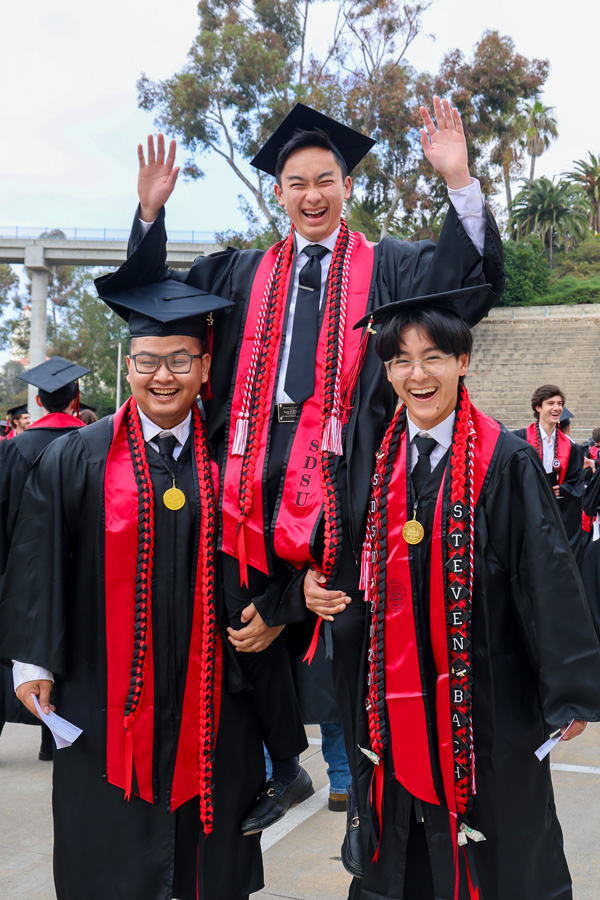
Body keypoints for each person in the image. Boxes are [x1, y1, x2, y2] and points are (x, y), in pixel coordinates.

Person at [95, 98, 504, 862]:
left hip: (351, 474)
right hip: (248, 472)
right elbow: (152, 306)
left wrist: (460, 185)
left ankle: (372, 813)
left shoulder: (391, 265)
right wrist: (148, 216)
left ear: (347, 186)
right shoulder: (238, 272)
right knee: (231, 615)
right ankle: (284, 764)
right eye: (295, 182)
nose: (311, 194)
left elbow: (465, 285)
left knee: (356, 630)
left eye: (325, 179)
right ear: (276, 193)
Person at [0, 283, 265, 900]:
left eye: (180, 360)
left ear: (204, 367)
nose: (163, 376)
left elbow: (271, 556)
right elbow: (38, 558)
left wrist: (277, 612)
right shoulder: (75, 457)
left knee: (210, 858)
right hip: (102, 688)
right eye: (148, 361)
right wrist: (33, 660)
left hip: (214, 695)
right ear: (130, 367)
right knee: (108, 850)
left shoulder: (235, 457)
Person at [347, 285, 600, 900]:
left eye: (433, 356)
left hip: (488, 690)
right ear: (387, 372)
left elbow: (548, 575)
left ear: (464, 361)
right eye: (401, 360)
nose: (418, 373)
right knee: (402, 837)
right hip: (394, 693)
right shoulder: (378, 461)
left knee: (499, 837)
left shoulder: (505, 459)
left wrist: (567, 688)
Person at [0, 356, 89, 759]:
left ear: (37, 399)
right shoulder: (93, 444)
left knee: (26, 646)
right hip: (83, 569)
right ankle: (51, 740)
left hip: (24, 565)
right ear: (76, 399)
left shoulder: (13, 450)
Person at [514, 385, 585, 567]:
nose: (557, 408)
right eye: (551, 403)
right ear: (538, 407)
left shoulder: (572, 448)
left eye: (560, 404)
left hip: (557, 512)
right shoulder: (519, 440)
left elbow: (576, 482)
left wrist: (562, 489)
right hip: (527, 510)